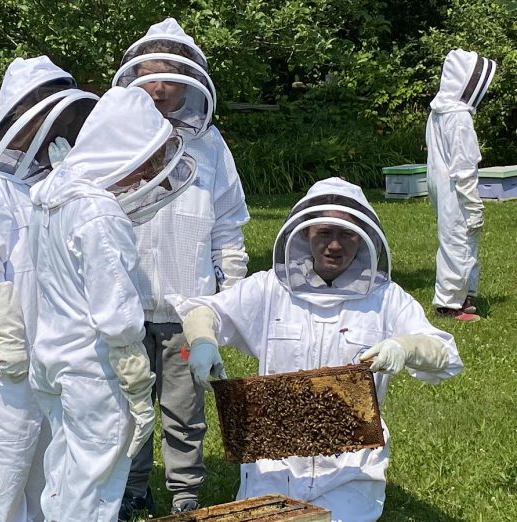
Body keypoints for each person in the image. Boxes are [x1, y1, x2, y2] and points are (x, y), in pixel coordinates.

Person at [174, 177, 464, 522]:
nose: (335, 246)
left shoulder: (386, 298)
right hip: (273, 459)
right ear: (305, 234)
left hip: (351, 463)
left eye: (347, 235)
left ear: (365, 239)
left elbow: (445, 355)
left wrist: (406, 347)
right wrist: (204, 341)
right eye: (324, 233)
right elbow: (203, 312)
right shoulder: (271, 288)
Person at [27, 86, 198, 522]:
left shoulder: (51, 193)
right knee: (96, 484)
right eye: (144, 161)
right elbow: (116, 310)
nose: (144, 177)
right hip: (93, 369)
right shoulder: (98, 212)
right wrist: (139, 385)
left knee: (63, 472)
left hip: (51, 355)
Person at [0, 56, 99, 522]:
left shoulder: (63, 172)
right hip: (8, 331)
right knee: (5, 435)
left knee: (52, 433)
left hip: (58, 326)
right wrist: (11, 338)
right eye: (36, 101)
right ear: (16, 111)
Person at [112, 18, 250, 516]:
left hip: (188, 305)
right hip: (123, 303)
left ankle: (185, 496)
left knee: (184, 408)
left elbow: (228, 225)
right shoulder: (116, 142)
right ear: (132, 79)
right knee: (126, 407)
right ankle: (130, 489)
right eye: (149, 74)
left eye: (170, 74)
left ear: (191, 82)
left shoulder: (210, 147)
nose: (159, 86)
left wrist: (228, 295)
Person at [426, 48, 496, 321]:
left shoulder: (438, 110)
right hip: (457, 191)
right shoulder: (459, 118)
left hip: (444, 190)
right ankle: (449, 305)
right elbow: (464, 164)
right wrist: (473, 203)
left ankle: (460, 297)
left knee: (456, 242)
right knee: (459, 244)